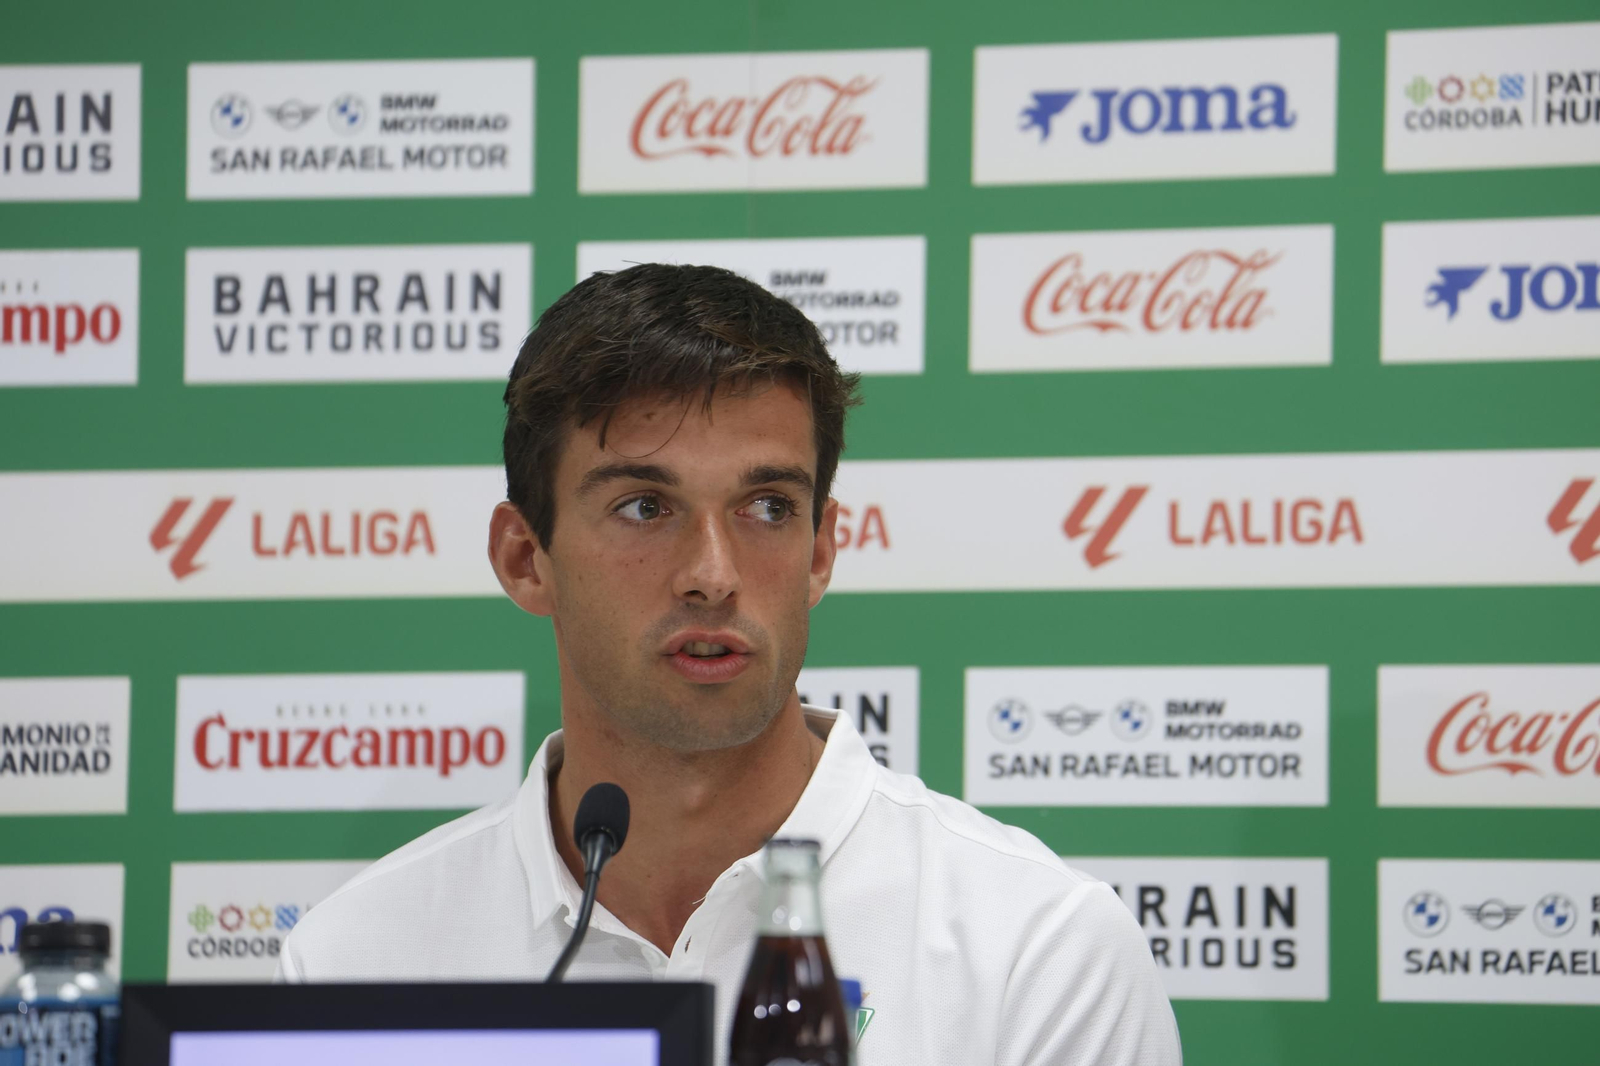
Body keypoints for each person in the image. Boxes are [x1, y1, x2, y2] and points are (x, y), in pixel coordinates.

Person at [279, 263, 1182, 1065]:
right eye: (644, 507)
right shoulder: (357, 961)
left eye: (767, 507)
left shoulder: (1036, 948)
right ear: (525, 559)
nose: (713, 574)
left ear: (821, 552)